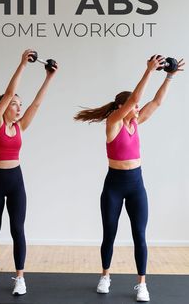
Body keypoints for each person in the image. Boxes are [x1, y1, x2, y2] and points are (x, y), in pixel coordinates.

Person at [74, 55, 184, 302]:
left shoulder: (136, 121)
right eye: (133, 106)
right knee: (109, 233)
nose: (138, 108)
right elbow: (135, 99)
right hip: (114, 185)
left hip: (136, 185)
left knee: (139, 235)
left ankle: (141, 284)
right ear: (122, 108)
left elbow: (155, 102)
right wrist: (148, 71)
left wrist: (169, 76)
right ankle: (105, 276)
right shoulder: (114, 123)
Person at [0, 49, 58, 295]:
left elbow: (37, 102)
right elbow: (10, 93)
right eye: (14, 104)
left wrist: (49, 78)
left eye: (19, 105)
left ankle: (20, 277)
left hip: (15, 180)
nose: (18, 107)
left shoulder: (20, 126)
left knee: (17, 229)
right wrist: (22, 65)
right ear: (3, 107)